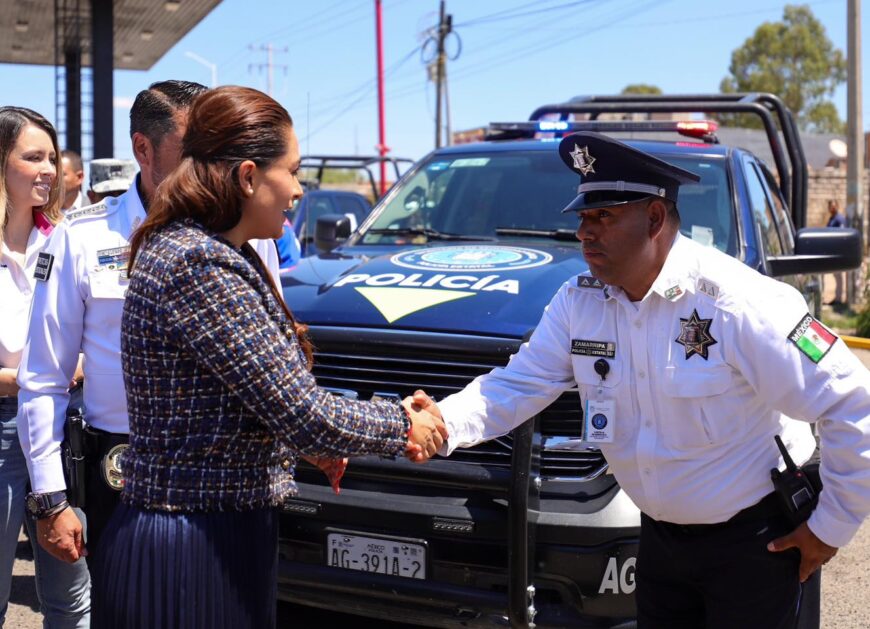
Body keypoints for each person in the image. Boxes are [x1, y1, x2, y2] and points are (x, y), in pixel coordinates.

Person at [408, 132, 870, 629]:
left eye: (603, 217)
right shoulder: (580, 302)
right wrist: (443, 421)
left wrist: (829, 529)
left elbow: (852, 401)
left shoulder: (736, 301)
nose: (584, 233)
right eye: (583, 217)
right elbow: (519, 383)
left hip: (754, 543)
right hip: (660, 543)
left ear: (653, 218)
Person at [91, 85, 445, 629]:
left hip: (209, 534)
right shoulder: (200, 266)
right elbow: (303, 410)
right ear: (248, 176)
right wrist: (402, 422)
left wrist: (305, 442)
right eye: (293, 172)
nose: (299, 191)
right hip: (193, 547)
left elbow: (245, 397)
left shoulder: (211, 251)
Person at [15, 80, 283, 571]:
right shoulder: (83, 237)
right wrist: (51, 498)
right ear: (144, 148)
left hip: (231, 476)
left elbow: (276, 359)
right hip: (123, 475)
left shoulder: (247, 233)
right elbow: (45, 377)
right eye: (193, 148)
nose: (209, 163)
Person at [0, 107, 90, 626]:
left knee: (72, 595)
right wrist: (22, 380)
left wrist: (79, 362)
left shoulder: (65, 239)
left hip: (60, 427)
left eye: (52, 158)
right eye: (34, 157)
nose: (49, 170)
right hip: (3, 426)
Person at [825, 199, 846, 305]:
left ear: (837, 206)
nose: (832, 208)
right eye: (830, 206)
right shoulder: (832, 219)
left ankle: (838, 299)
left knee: (838, 275)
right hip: (832, 251)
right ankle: (836, 298)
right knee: (835, 275)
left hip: (838, 251)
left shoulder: (839, 219)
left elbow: (841, 235)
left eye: (834, 206)